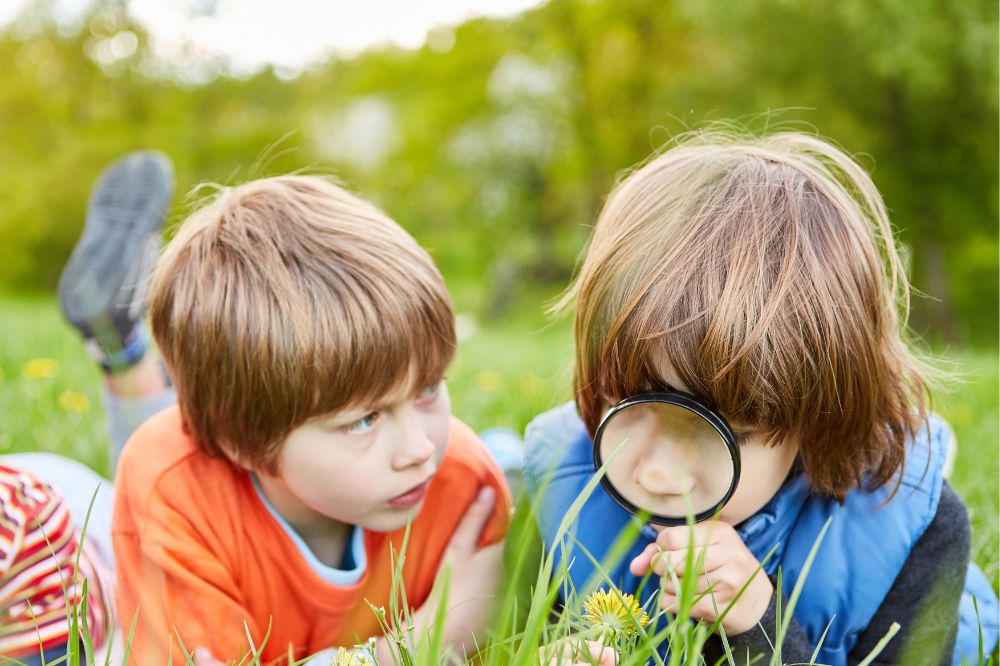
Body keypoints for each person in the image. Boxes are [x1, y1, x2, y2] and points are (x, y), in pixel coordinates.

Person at [523, 130, 999, 664]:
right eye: (626, 400)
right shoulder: (556, 483)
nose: (654, 473)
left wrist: (759, 626)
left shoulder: (919, 538)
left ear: (820, 423)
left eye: (720, 433)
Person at [111, 173, 512, 664]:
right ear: (244, 442)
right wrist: (428, 636)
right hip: (116, 533)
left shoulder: (467, 485)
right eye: (364, 420)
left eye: (428, 388)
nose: (420, 449)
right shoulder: (173, 492)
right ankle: (120, 351)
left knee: (507, 456)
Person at [0, 150, 176, 665]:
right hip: (65, 521)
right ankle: (118, 341)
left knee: (166, 517)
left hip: (74, 565)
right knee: (160, 500)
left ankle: (121, 340)